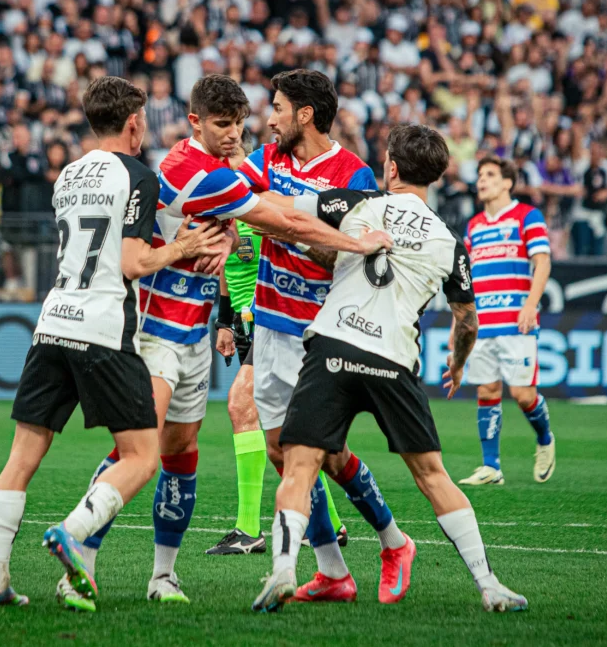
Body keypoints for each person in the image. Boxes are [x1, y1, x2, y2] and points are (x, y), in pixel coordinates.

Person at [56, 74, 393, 609]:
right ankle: (78, 555)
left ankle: (163, 576)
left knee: (183, 452)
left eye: (241, 122)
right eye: (223, 125)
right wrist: (356, 242)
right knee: (138, 448)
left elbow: (237, 213)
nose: (237, 133)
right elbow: (279, 218)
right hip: (156, 327)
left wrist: (232, 234)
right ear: (195, 123)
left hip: (200, 332)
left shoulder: (232, 168)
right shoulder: (191, 168)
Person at [252, 124, 528, 614]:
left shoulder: (357, 203)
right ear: (435, 178)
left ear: (392, 168)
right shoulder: (449, 242)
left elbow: (280, 209)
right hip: (393, 357)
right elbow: (468, 319)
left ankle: (283, 570)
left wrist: (236, 202)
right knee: (431, 474)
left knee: (299, 464)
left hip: (333, 342)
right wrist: (458, 363)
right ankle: (489, 584)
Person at [0, 76, 226, 608]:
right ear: (133, 123)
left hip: (52, 322)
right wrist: (180, 247)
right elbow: (133, 262)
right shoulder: (137, 174)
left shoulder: (67, 174)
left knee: (22, 458)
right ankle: (71, 531)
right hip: (103, 328)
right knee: (141, 456)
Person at [234, 70, 414, 603]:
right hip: (268, 320)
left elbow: (343, 254)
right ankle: (333, 572)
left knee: (322, 454)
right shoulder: (266, 160)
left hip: (317, 330)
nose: (269, 118)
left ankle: (393, 540)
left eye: (278, 108)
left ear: (305, 115)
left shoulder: (354, 176)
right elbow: (235, 204)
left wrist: (289, 230)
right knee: (277, 451)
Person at [458, 156, 555, 487]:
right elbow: (467, 280)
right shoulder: (473, 226)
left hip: (517, 321)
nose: (482, 180)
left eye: (490, 175)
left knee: (523, 393)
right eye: (480, 175)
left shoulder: (528, 216)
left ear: (507, 183)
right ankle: (491, 467)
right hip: (484, 322)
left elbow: (542, 262)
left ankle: (544, 438)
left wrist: (531, 303)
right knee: (487, 389)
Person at [207, 130, 270, 555]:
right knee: (288, 429)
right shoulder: (220, 215)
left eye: (235, 161)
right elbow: (228, 273)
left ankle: (249, 529)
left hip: (273, 321)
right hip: (247, 326)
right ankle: (332, 525)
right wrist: (225, 323)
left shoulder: (265, 207)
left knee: (240, 406)